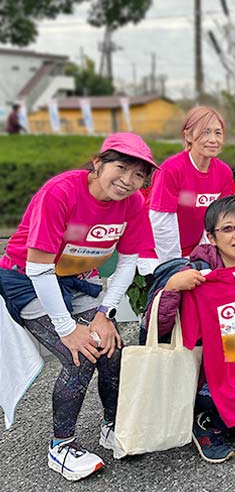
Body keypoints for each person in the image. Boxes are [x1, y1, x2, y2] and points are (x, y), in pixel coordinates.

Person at [0, 133, 157, 480]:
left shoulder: (133, 203)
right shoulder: (61, 192)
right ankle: (61, 446)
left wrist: (104, 314)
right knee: (81, 354)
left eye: (138, 175)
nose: (128, 180)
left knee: (112, 347)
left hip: (77, 277)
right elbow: (38, 268)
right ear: (98, 163)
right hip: (27, 278)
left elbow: (128, 261)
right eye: (121, 167)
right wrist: (68, 329)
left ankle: (113, 427)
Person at [147, 196, 235, 463]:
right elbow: (161, 326)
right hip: (209, 374)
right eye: (228, 229)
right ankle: (204, 419)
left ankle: (231, 412)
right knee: (221, 405)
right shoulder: (197, 278)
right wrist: (172, 289)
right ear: (211, 237)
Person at [145, 106, 234, 267]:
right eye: (205, 132)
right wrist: (175, 265)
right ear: (188, 136)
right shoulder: (172, 169)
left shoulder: (224, 172)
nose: (213, 139)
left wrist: (204, 254)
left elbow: (219, 220)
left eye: (218, 133)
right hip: (156, 252)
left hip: (194, 251)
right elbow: (161, 224)